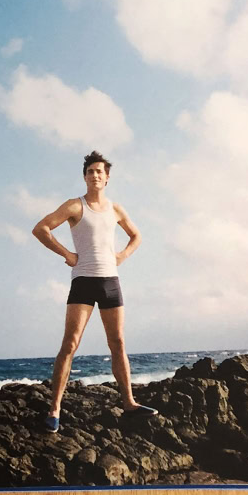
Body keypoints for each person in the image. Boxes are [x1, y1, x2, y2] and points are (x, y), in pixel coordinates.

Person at [31, 150, 157, 433]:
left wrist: (122, 255)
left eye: (100, 171)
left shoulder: (116, 209)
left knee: (118, 342)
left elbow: (136, 236)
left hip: (110, 281)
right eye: (90, 172)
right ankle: (54, 410)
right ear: (85, 177)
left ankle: (129, 403)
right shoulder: (75, 206)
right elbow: (41, 229)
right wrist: (67, 254)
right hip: (83, 282)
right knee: (70, 344)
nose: (95, 175)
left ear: (107, 178)